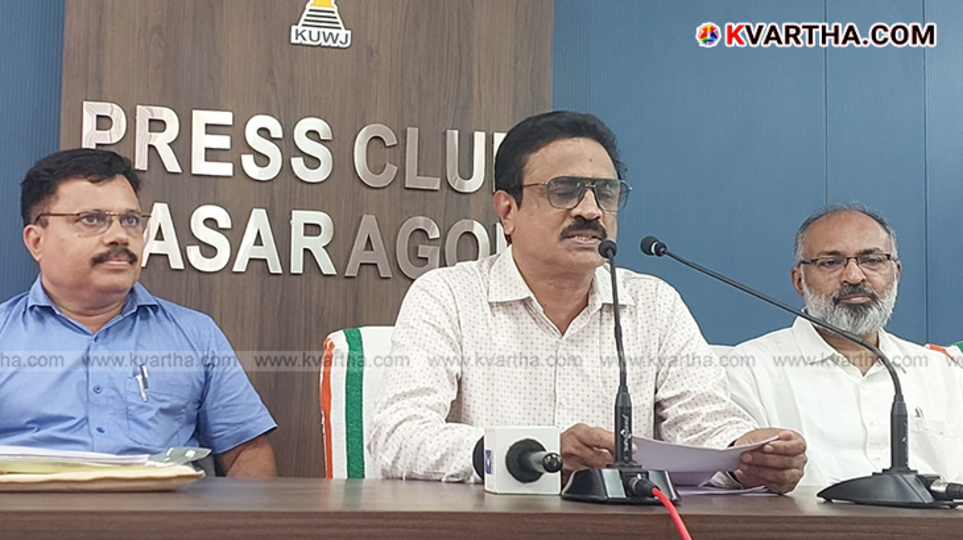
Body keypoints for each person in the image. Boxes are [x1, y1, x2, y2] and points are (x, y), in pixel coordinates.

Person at [370, 111, 806, 492]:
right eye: (565, 190)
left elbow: (703, 423)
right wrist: (532, 454)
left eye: (606, 193)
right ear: (507, 211)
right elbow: (398, 436)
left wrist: (747, 455)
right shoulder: (448, 296)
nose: (591, 210)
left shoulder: (655, 304)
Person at [0, 148, 278, 477]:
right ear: (36, 241)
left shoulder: (194, 334)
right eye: (92, 219)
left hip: (165, 525)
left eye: (131, 220)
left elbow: (247, 451)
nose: (120, 236)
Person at [726, 205, 963, 486]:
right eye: (830, 263)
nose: (854, 276)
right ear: (799, 281)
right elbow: (723, 476)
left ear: (896, 273)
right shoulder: (748, 370)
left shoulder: (944, 373)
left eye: (872, 260)